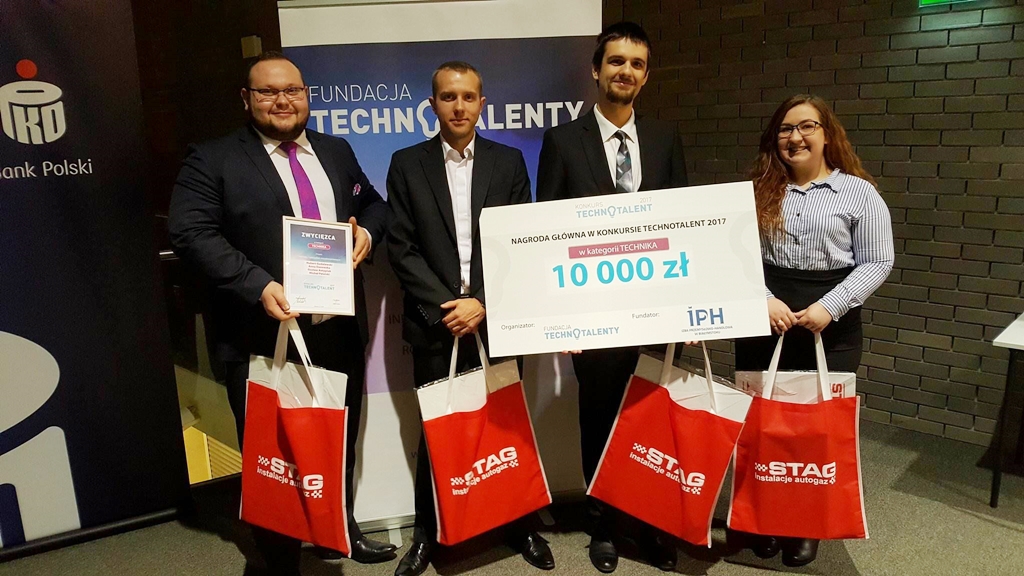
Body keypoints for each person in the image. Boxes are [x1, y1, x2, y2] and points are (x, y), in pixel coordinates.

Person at [168, 51, 396, 575]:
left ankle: (337, 528)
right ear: (246, 99)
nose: (282, 100)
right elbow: (190, 232)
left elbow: (374, 203)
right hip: (260, 332)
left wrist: (366, 231)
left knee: (336, 436)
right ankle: (281, 557)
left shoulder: (336, 150)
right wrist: (258, 284)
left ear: (306, 95)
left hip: (336, 328)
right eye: (268, 91)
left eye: (292, 90)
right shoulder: (213, 158)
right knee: (273, 455)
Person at [386, 60, 553, 576]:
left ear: (482, 103)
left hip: (495, 320)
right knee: (438, 430)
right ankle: (427, 534)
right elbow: (401, 247)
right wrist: (449, 308)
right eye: (447, 97)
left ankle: (519, 524)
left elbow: (520, 240)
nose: (458, 107)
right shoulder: (405, 163)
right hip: (435, 322)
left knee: (506, 427)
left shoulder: (509, 162)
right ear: (432, 104)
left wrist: (481, 301)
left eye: (467, 97)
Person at [535, 21, 687, 574]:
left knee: (651, 419)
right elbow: (548, 233)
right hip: (592, 315)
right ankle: (603, 524)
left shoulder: (666, 137)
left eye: (637, 64)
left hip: (657, 313)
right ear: (596, 70)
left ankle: (649, 521)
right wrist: (562, 319)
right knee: (599, 417)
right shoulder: (562, 142)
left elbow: (683, 224)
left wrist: (687, 308)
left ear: (646, 76)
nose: (626, 71)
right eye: (616, 61)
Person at [734, 94, 893, 567]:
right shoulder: (755, 191)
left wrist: (831, 306)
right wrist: (763, 299)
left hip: (831, 325)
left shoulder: (859, 193)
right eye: (785, 128)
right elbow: (736, 256)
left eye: (807, 126)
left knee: (815, 433)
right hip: (766, 319)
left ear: (827, 134)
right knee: (762, 427)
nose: (795, 137)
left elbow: (878, 260)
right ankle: (763, 517)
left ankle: (806, 524)